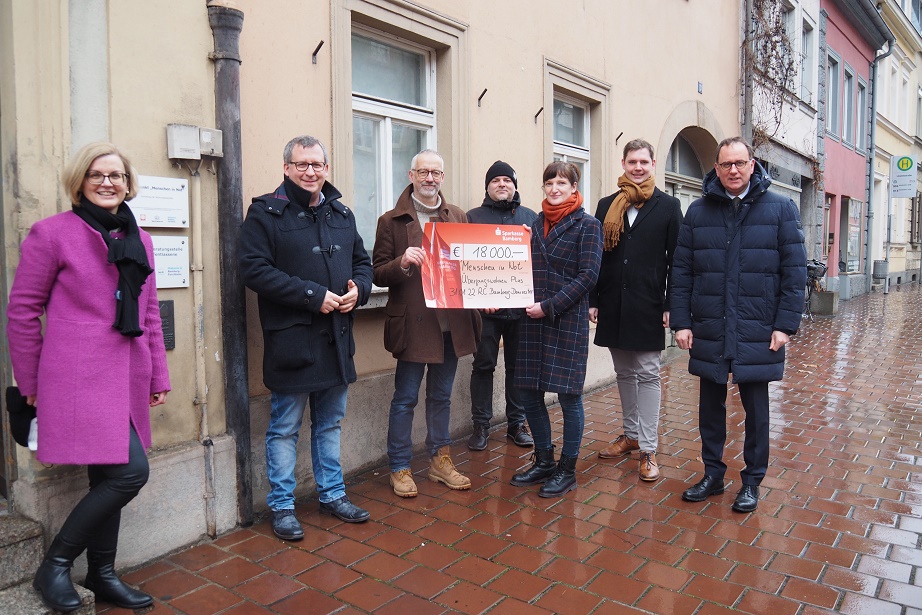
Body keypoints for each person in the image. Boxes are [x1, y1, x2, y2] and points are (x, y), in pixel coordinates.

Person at [7, 142, 170, 612]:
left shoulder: (141, 238)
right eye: (97, 174)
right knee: (130, 472)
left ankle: (101, 574)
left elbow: (149, 313)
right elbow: (21, 312)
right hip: (75, 376)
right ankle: (55, 565)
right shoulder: (52, 233)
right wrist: (31, 383)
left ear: (127, 183)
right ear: (80, 181)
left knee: (108, 475)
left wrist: (158, 371)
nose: (107, 182)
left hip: (128, 372)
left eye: (116, 175)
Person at [240, 135, 373, 540]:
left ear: (326, 169)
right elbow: (253, 270)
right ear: (286, 168)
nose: (310, 172)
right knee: (284, 428)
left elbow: (362, 263)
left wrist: (359, 291)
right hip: (293, 343)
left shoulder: (341, 213)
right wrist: (313, 295)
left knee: (330, 424)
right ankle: (282, 506)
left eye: (317, 164)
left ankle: (332, 494)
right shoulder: (265, 213)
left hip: (336, 341)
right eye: (302, 165)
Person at [670, 136, 806, 513]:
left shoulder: (780, 209)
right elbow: (681, 271)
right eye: (725, 164)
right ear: (716, 168)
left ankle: (752, 481)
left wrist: (785, 325)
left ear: (751, 165)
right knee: (710, 407)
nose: (733, 170)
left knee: (756, 409)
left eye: (739, 163)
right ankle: (712, 474)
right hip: (711, 324)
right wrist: (681, 321)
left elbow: (794, 274)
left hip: (758, 326)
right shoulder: (697, 212)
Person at [373, 149, 481, 498]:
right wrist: (402, 261)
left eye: (436, 172)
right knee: (405, 398)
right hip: (414, 324)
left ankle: (440, 459)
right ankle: (400, 466)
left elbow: (473, 267)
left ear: (442, 178)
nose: (430, 178)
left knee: (441, 396)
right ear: (411, 175)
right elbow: (377, 272)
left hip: (451, 324)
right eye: (423, 172)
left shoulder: (458, 216)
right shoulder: (391, 221)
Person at [590, 140, 683, 481]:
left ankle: (648, 448)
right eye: (632, 161)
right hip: (613, 303)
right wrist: (594, 299)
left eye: (644, 161)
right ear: (624, 163)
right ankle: (630, 435)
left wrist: (673, 304)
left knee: (647, 373)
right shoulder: (606, 205)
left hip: (648, 305)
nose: (638, 167)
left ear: (653, 163)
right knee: (624, 372)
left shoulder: (669, 207)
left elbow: (679, 262)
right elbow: (597, 257)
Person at [510, 161, 602, 498]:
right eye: (549, 182)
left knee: (569, 397)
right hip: (532, 322)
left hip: (564, 320)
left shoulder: (588, 225)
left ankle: (567, 469)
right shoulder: (532, 225)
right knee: (529, 393)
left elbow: (588, 277)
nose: (555, 188)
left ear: (574, 188)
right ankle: (545, 459)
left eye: (562, 182)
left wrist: (549, 306)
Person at [466, 161, 537, 451]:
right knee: (483, 365)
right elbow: (464, 265)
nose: (502, 184)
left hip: (521, 311)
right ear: (488, 186)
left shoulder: (531, 218)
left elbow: (541, 261)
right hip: (486, 312)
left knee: (518, 368)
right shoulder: (472, 217)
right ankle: (481, 425)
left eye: (507, 179)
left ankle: (516, 423)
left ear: (515, 185)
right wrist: (480, 298)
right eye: (495, 180)